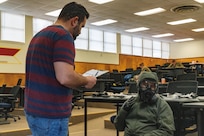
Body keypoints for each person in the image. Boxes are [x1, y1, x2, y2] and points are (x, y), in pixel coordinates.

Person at [25, 2, 97, 136]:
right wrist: (86, 80)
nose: (80, 32)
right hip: (51, 114)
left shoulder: (39, 35)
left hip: (34, 111)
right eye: (82, 26)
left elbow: (53, 73)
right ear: (74, 21)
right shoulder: (63, 36)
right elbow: (65, 77)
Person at [112, 71, 175, 136]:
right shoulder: (130, 103)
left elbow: (167, 131)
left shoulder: (161, 105)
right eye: (145, 84)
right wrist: (123, 111)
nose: (149, 88)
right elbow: (119, 127)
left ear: (156, 88)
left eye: (152, 86)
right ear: (139, 86)